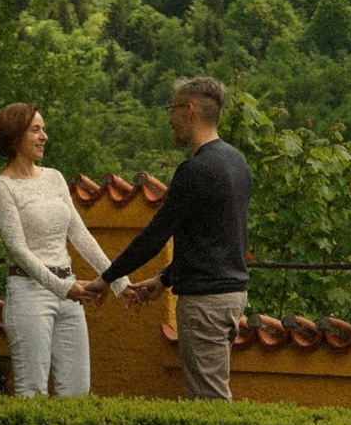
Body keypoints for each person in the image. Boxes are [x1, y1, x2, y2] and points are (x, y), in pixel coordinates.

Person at [98, 76, 252, 400]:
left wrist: (106, 280)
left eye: (173, 108)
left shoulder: (194, 170)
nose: (170, 118)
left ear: (190, 109)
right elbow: (215, 238)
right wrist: (165, 279)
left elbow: (154, 237)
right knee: (210, 393)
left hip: (205, 304)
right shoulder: (237, 163)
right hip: (232, 295)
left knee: (207, 401)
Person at [0, 102, 125, 397]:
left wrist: (119, 282)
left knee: (77, 390)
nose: (44, 135)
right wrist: (64, 288)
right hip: (28, 293)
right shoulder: (1, 188)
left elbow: (81, 236)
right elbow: (18, 250)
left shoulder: (55, 177)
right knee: (31, 390)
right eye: (35, 129)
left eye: (43, 129)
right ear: (14, 136)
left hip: (69, 292)